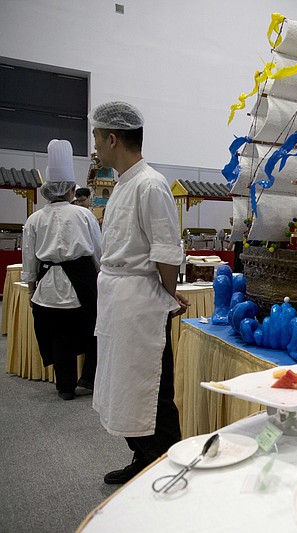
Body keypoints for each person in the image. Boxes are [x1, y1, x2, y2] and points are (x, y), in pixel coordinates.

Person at [89, 101, 189, 485]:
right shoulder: (124, 183)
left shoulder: (149, 184)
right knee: (123, 384)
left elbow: (165, 251)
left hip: (140, 303)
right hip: (119, 299)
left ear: (113, 138)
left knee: (150, 390)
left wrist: (167, 295)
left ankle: (166, 466)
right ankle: (141, 457)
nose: (96, 146)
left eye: (98, 138)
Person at [21, 140, 102, 400]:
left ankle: (65, 387)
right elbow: (97, 251)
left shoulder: (34, 219)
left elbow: (29, 258)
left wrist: (32, 287)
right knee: (95, 329)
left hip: (47, 286)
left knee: (59, 338)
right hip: (83, 281)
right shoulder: (83, 215)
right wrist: (102, 275)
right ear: (70, 189)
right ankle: (89, 377)